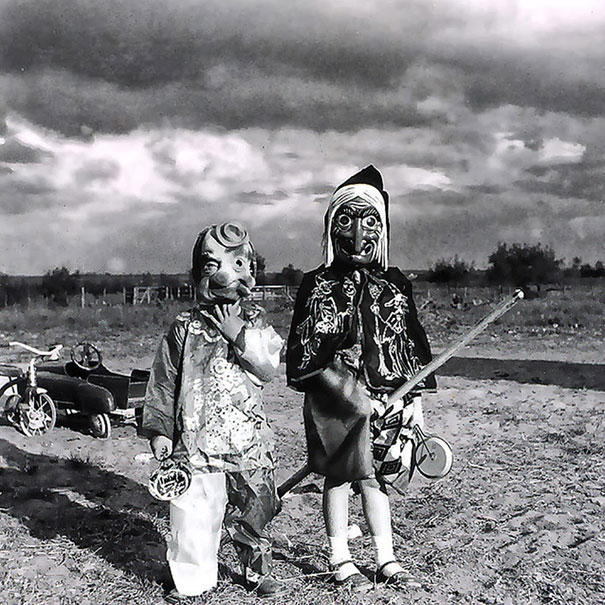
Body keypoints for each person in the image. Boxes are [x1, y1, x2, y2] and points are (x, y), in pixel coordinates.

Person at [286, 166, 436, 592]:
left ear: (383, 229)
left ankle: (386, 558)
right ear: (332, 227)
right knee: (338, 476)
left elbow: (409, 348)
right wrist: (351, 394)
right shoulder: (316, 285)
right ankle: (340, 558)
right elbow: (307, 355)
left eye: (369, 221)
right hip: (334, 402)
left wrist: (413, 405)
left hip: (388, 402)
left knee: (376, 477)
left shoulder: (395, 285)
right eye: (346, 221)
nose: (357, 234)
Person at [141, 222, 284, 602]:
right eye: (210, 266)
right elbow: (164, 381)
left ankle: (254, 570)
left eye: (236, 263)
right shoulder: (183, 327)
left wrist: (236, 330)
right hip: (195, 437)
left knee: (256, 506)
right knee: (191, 512)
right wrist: (159, 430)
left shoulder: (255, 321)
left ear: (250, 270)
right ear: (195, 276)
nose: (223, 275)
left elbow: (267, 366)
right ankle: (193, 576)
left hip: (246, 441)